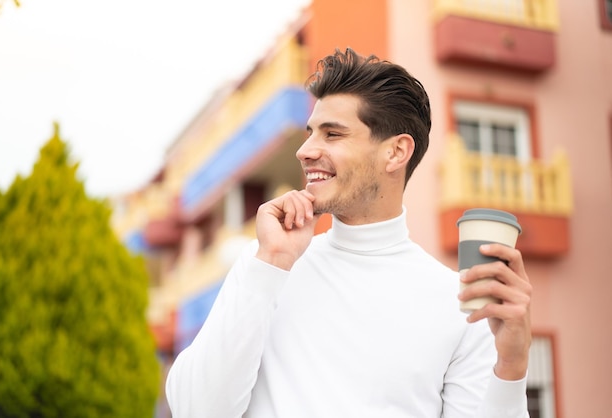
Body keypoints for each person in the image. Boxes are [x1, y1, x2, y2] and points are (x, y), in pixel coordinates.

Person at [165, 48, 532, 417]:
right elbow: (197, 410)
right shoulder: (265, 265)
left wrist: (513, 367)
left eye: (332, 134)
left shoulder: (458, 304)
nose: (306, 151)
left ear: (396, 153)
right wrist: (270, 264)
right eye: (310, 133)